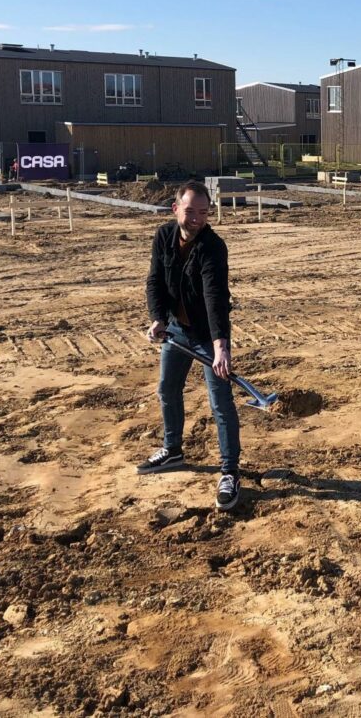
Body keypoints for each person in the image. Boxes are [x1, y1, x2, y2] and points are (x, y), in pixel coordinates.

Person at [138, 181, 242, 511]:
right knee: (167, 389)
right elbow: (154, 281)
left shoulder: (213, 247)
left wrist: (220, 347)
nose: (197, 218)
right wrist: (158, 318)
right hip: (176, 332)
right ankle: (173, 451)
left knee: (220, 402)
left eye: (203, 212)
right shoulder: (163, 238)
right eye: (190, 211)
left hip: (206, 335)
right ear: (175, 210)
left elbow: (215, 298)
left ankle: (229, 471)